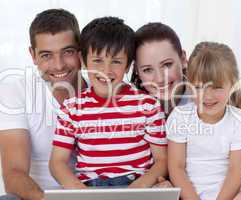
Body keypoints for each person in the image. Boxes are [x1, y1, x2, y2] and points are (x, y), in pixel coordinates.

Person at [131, 22, 241, 199]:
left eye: (166, 64)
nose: (159, 78)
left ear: (183, 59)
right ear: (136, 70)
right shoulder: (130, 109)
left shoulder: (211, 103)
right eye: (147, 69)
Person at [49, 16, 167, 189]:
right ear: (83, 61)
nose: (106, 71)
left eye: (116, 62)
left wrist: (139, 187)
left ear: (128, 66)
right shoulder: (71, 108)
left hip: (135, 185)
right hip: (90, 187)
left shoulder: (148, 105)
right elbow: (57, 163)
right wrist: (80, 191)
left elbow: (162, 161)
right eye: (97, 61)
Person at [0, 9, 86, 200]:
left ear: (80, 52)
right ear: (33, 55)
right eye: (46, 55)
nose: (58, 66)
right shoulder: (16, 92)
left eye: (67, 52)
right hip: (39, 196)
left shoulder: (106, 89)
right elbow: (14, 174)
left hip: (97, 192)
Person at [167, 41, 241, 200]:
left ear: (233, 85)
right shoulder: (180, 117)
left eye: (217, 87)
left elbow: (235, 171)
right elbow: (176, 168)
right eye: (199, 87)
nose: (207, 96)